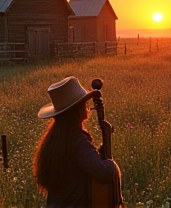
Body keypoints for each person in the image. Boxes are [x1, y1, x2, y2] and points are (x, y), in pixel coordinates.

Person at [33, 76, 120, 208]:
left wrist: (104, 142)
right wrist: (112, 164)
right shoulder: (78, 141)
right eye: (84, 103)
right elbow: (105, 173)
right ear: (76, 110)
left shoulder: (55, 139)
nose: (87, 106)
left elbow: (88, 160)